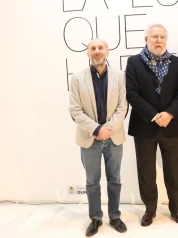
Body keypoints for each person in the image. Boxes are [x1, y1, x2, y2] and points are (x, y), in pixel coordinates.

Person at [126, 24, 178, 227]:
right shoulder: (134, 62)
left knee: (173, 170)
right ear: (146, 39)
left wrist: (169, 113)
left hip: (170, 125)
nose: (158, 40)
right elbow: (132, 93)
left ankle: (176, 208)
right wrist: (154, 115)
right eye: (154, 36)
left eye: (162, 37)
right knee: (146, 171)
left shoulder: (176, 62)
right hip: (144, 126)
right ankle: (150, 209)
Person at [69, 38, 128, 237]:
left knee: (115, 180)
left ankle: (115, 216)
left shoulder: (120, 76)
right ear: (87, 53)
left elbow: (123, 107)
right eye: (92, 48)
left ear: (107, 51)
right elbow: (75, 111)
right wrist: (96, 130)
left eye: (100, 48)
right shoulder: (77, 78)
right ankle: (95, 218)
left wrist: (107, 129)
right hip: (89, 138)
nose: (96, 51)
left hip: (114, 137)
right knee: (92, 181)